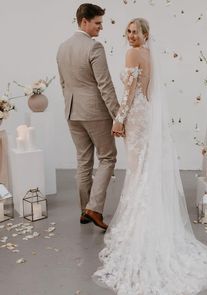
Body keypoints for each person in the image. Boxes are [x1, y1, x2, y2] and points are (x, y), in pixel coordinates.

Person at [93, 18, 207, 295]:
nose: (130, 36)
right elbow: (146, 90)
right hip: (147, 115)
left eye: (135, 32)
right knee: (144, 169)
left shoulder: (132, 53)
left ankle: (141, 229)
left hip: (136, 117)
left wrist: (119, 119)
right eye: (128, 32)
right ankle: (152, 221)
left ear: (145, 34)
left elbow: (129, 93)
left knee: (138, 170)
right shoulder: (148, 53)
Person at [57, 3, 120, 230]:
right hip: (95, 112)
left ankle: (85, 210)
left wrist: (70, 106)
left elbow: (64, 84)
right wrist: (119, 115)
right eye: (97, 23)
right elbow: (105, 85)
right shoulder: (94, 48)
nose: (100, 28)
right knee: (108, 157)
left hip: (72, 112)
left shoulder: (62, 48)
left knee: (83, 161)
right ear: (84, 21)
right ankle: (94, 208)